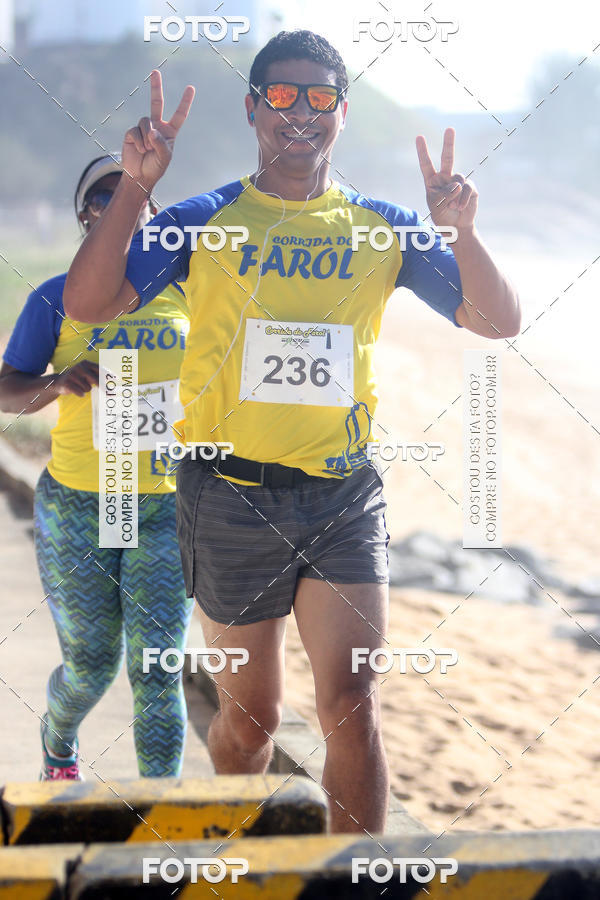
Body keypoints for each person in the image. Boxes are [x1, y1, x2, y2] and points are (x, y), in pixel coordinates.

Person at [62, 31, 520, 829]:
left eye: (318, 98)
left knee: (352, 700)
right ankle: (241, 857)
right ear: (252, 109)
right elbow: (88, 304)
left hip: (344, 498)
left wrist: (462, 234)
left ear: (341, 112)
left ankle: (354, 882)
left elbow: (495, 320)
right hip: (230, 497)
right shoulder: (208, 221)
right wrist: (136, 187)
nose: (300, 113)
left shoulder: (382, 227)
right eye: (281, 96)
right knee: (250, 725)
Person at [0, 155, 194, 780]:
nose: (124, 208)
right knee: (91, 666)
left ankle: (168, 829)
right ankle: (60, 741)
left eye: (137, 198)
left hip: (165, 507)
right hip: (80, 504)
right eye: (105, 200)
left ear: (157, 215)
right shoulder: (56, 298)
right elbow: (6, 390)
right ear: (85, 218)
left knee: (158, 669)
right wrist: (56, 384)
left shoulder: (191, 295)